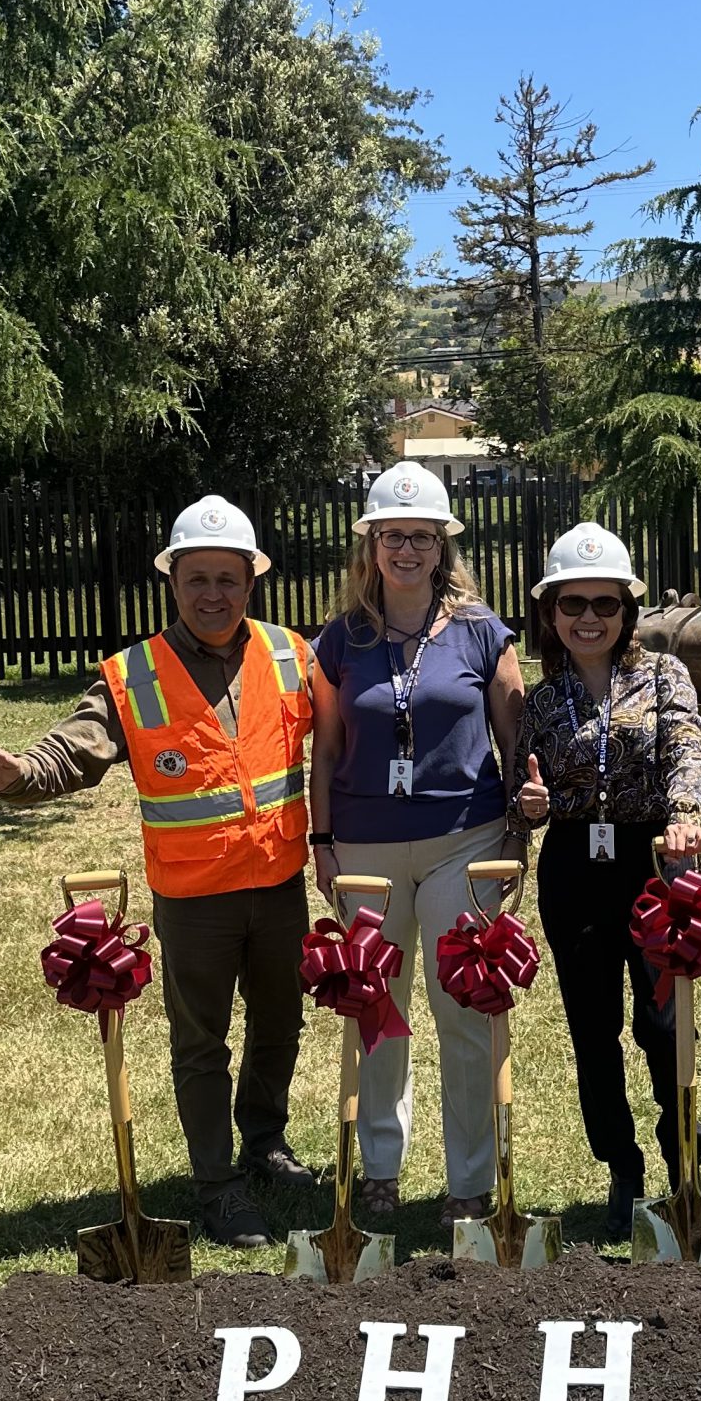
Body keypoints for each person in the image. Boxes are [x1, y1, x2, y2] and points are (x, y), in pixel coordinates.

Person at [0, 495, 315, 1250]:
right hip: (195, 898)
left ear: (251, 581)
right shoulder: (135, 676)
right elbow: (74, 749)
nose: (213, 595)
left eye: (228, 579)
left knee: (281, 1022)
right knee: (202, 1042)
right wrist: (18, 773)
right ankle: (217, 1186)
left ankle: (265, 1142)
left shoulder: (292, 655)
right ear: (172, 582)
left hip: (280, 883)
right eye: (197, 580)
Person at [307, 461, 526, 1229]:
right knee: (375, 1007)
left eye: (422, 537)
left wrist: (518, 834)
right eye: (393, 535)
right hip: (364, 846)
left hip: (464, 840)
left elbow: (515, 740)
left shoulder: (483, 631)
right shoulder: (340, 640)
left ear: (443, 546)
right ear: (370, 544)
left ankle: (470, 1176)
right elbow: (325, 750)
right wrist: (322, 840)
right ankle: (380, 1167)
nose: (406, 550)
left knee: (462, 1005)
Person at [512, 522, 701, 1241]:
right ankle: (621, 1167)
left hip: (651, 861)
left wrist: (684, 814)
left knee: (663, 1023)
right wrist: (530, 805)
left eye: (605, 603)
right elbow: (520, 793)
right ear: (551, 614)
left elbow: (686, 744)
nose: (589, 618)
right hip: (573, 867)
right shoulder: (542, 702)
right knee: (592, 1029)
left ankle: (684, 1158)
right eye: (573, 604)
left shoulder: (664, 676)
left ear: (627, 610)